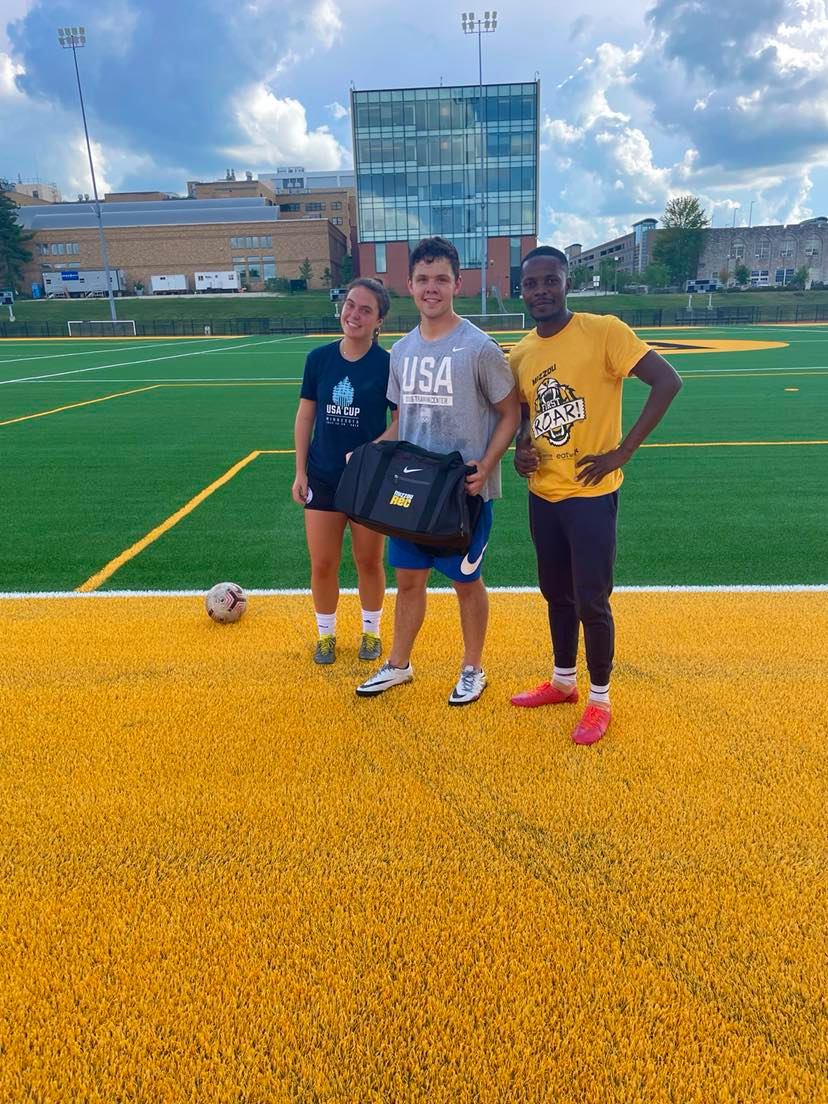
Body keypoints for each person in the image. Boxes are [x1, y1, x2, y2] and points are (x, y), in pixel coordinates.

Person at [510, 245, 683, 744]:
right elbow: (525, 411)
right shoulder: (522, 353)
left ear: (567, 282)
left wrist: (622, 452)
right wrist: (522, 446)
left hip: (590, 493)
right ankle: (564, 682)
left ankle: (599, 699)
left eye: (550, 280)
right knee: (555, 594)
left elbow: (667, 381)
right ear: (521, 290)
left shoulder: (603, 330)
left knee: (592, 599)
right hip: (544, 494)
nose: (541, 291)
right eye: (531, 283)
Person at [356, 236, 520, 705]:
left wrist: (486, 466)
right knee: (409, 580)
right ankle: (398, 665)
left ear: (457, 284)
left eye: (441, 279)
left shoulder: (479, 347)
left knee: (466, 583)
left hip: (462, 492)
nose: (432, 288)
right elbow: (400, 423)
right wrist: (367, 455)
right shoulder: (401, 351)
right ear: (409, 284)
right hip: (412, 491)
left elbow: (510, 413)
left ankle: (473, 668)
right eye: (423, 279)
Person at [292, 277, 397, 665]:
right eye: (350, 305)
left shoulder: (388, 364)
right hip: (322, 475)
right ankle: (326, 635)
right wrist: (300, 472)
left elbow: (400, 422)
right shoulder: (319, 358)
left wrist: (370, 451)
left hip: (368, 479)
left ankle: (371, 632)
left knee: (369, 561)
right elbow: (306, 416)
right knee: (322, 563)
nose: (353, 314)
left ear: (378, 320)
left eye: (365, 309)